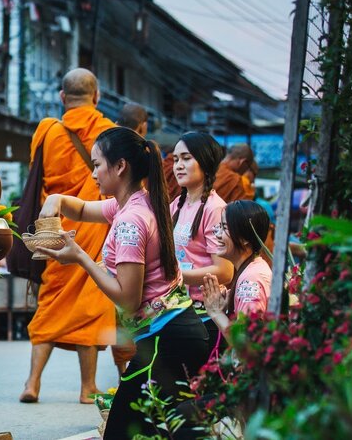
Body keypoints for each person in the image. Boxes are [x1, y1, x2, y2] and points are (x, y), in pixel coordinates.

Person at [37, 127, 209, 439]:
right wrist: (57, 200)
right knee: (156, 430)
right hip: (171, 336)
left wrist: (81, 258)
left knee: (123, 431)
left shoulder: (130, 220)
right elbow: (84, 209)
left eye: (96, 164)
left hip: (166, 340)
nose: (92, 175)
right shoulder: (134, 203)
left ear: (119, 167)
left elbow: (128, 299)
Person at [19, 68, 121, 405]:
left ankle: (32, 382)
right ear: (97, 96)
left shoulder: (47, 131)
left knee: (50, 304)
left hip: (56, 227)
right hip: (94, 228)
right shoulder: (108, 132)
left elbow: (39, 177)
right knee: (90, 307)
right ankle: (87, 387)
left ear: (62, 98)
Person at [170, 132, 234, 354]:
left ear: (205, 163)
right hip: (180, 310)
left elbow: (224, 271)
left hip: (205, 316)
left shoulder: (215, 209)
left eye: (186, 158)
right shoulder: (177, 206)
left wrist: (175, 276)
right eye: (176, 159)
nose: (178, 165)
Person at [202, 200, 272, 344]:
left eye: (225, 228)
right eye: (219, 227)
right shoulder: (252, 268)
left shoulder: (251, 280)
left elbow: (245, 345)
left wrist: (215, 312)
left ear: (245, 238)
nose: (218, 235)